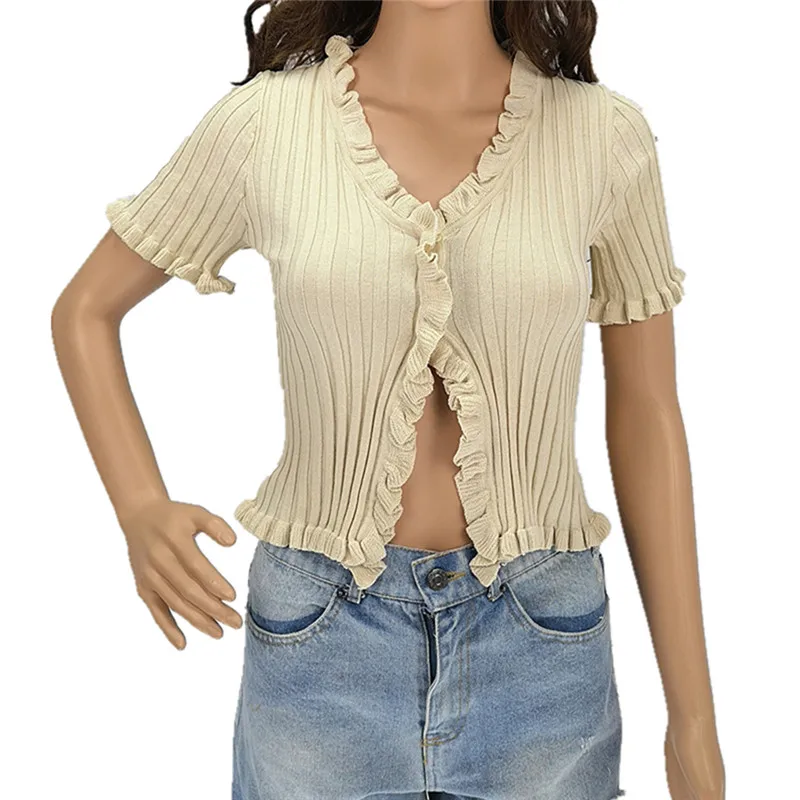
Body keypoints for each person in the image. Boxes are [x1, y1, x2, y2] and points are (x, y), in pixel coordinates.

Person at [51, 1, 725, 798]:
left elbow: (647, 410)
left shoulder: (603, 137)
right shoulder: (266, 126)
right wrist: (139, 507)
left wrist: (694, 716)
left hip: (543, 637)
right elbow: (85, 310)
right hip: (320, 635)